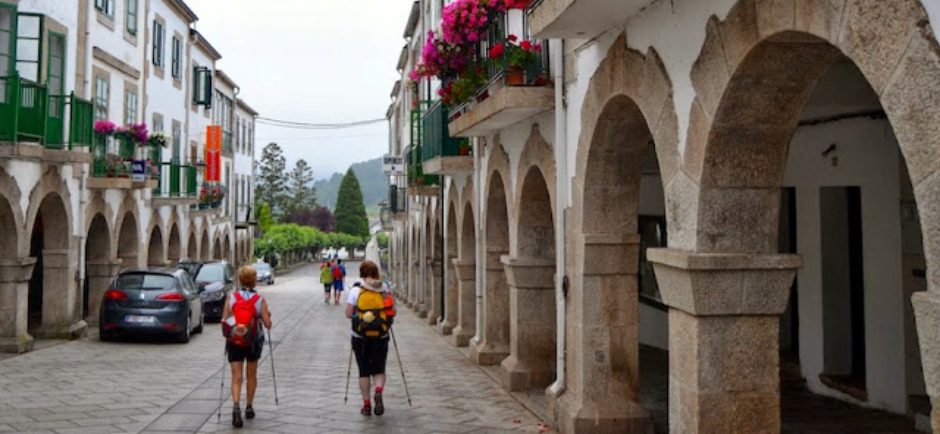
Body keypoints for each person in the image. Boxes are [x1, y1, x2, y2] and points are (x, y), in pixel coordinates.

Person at [222, 266, 273, 428]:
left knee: (236, 376)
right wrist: (267, 316)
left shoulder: (232, 298)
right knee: (251, 374)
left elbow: (224, 320)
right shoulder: (259, 300)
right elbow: (268, 324)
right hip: (252, 342)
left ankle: (236, 406)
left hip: (235, 341)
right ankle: (249, 407)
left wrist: (236, 327)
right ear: (254, 280)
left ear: (239, 279)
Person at [345, 260, 395, 416]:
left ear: (362, 273)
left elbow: (348, 313)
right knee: (379, 368)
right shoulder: (385, 290)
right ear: (376, 273)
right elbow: (392, 312)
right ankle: (378, 390)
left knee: (364, 370)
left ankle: (366, 405)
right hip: (381, 335)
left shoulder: (356, 291)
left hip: (360, 336)